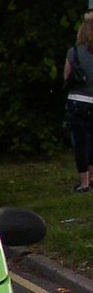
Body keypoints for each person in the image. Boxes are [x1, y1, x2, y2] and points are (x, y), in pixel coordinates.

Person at [63, 18, 93, 192]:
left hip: (77, 100)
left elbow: (66, 77)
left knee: (80, 142)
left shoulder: (73, 52)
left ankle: (84, 182)